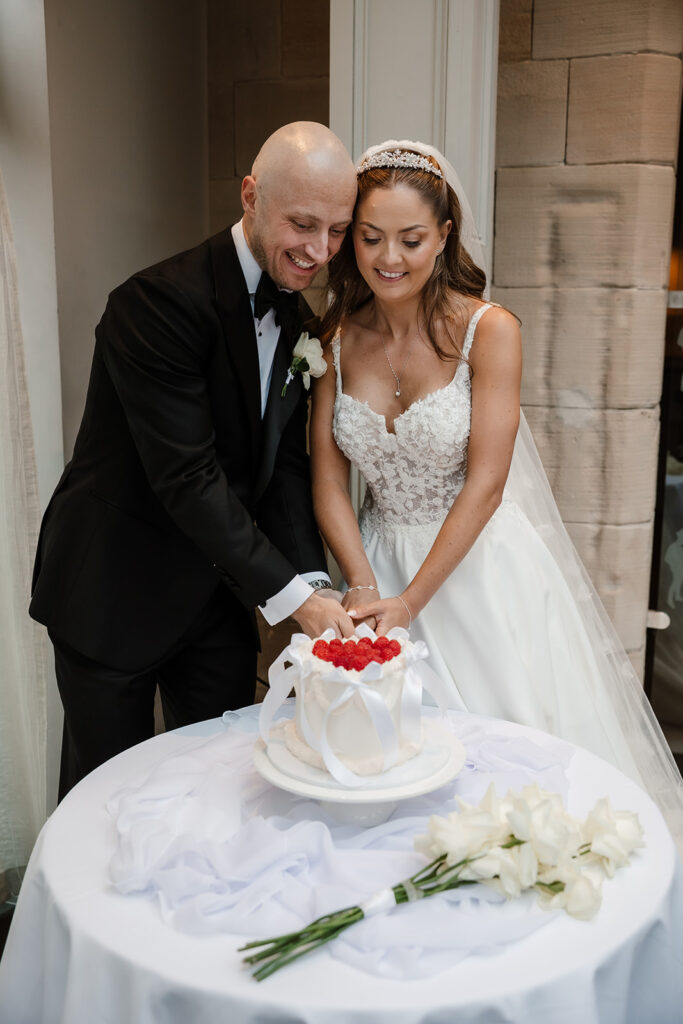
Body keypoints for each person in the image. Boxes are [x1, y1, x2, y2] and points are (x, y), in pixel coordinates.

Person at [310, 139, 683, 848]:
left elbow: (485, 483)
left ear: (444, 235)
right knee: (383, 781)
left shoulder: (489, 330)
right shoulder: (330, 339)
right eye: (369, 237)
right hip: (372, 564)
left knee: (507, 780)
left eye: (410, 239)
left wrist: (411, 601)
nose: (388, 257)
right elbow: (326, 478)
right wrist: (363, 586)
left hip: (475, 568)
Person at [30, 121, 357, 799]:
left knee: (222, 788)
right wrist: (298, 603)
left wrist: (313, 582)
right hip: (112, 590)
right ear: (249, 196)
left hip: (213, 599)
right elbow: (188, 477)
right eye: (302, 223)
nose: (318, 251)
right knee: (103, 801)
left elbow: (283, 472)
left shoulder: (298, 321)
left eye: (335, 230)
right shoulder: (154, 304)